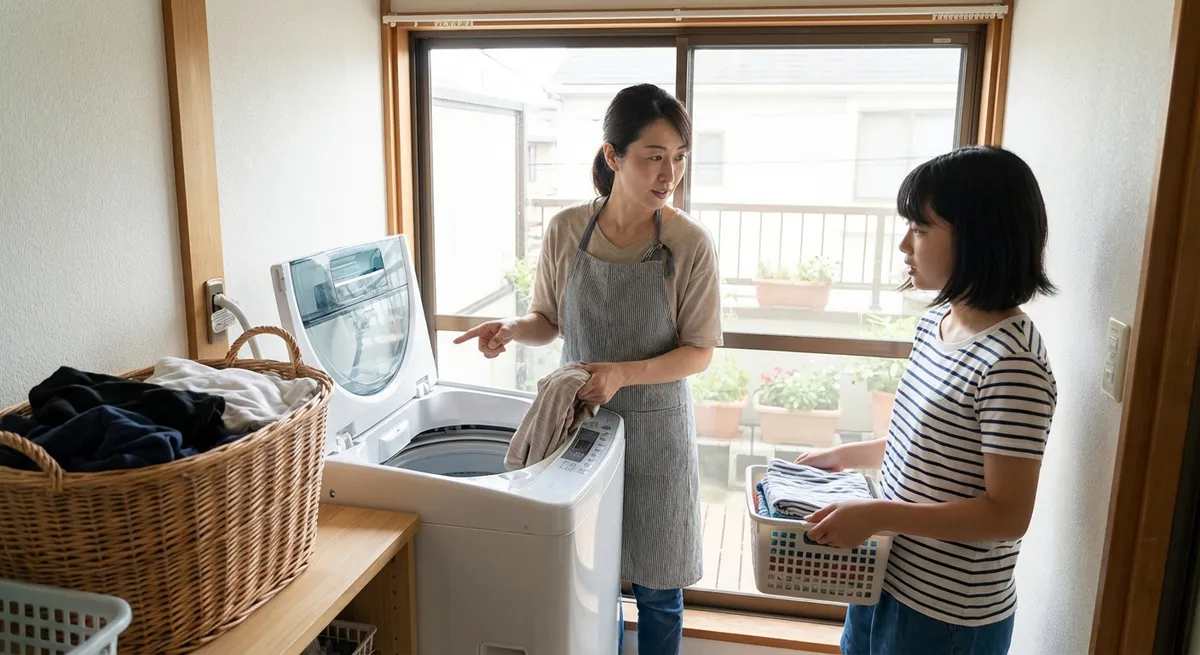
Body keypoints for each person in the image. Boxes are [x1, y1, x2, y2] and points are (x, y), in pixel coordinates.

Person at [453, 83, 723, 654]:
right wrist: (509, 330)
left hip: (658, 431)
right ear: (612, 156)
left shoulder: (689, 243)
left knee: (657, 587)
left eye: (678, 157)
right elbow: (547, 319)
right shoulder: (566, 230)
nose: (668, 173)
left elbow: (698, 351)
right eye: (653, 156)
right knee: (584, 576)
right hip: (578, 427)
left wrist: (622, 374)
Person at [796, 146, 1057, 655]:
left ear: (978, 237)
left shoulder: (1013, 363)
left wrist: (877, 514)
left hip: (947, 615)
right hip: (886, 578)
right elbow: (926, 444)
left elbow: (1007, 514)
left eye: (919, 229)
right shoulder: (937, 326)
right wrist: (845, 457)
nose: (903, 246)